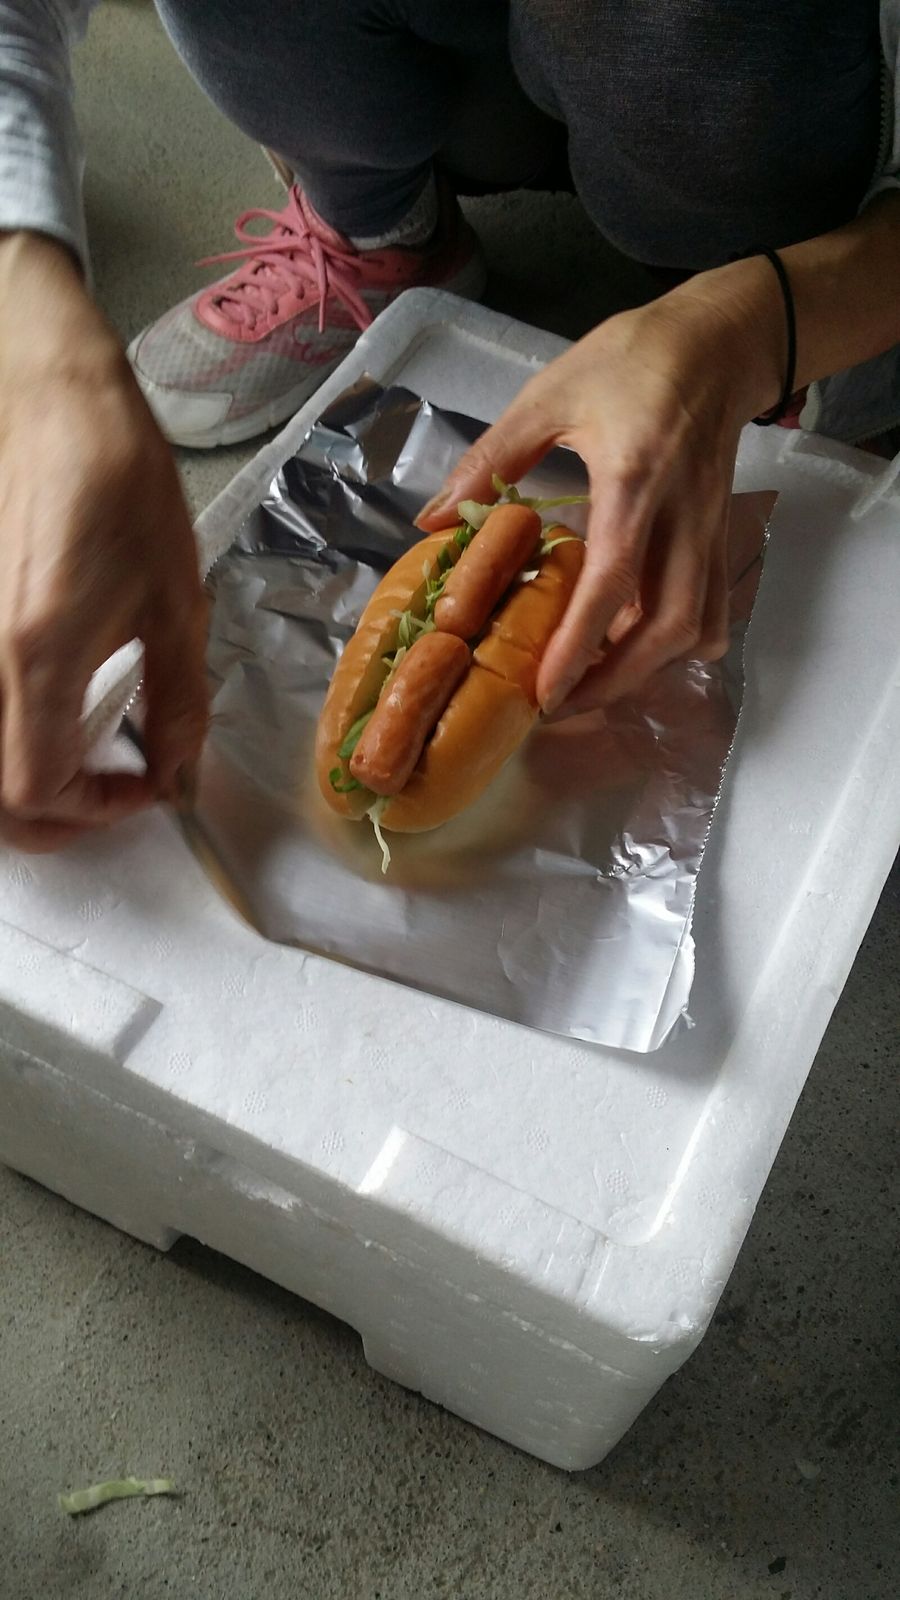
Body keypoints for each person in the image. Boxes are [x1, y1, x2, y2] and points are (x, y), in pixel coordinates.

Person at [3, 2, 900, 852]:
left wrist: (752, 327)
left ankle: (810, 362)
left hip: (789, 167)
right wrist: (41, 347)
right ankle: (380, 231)